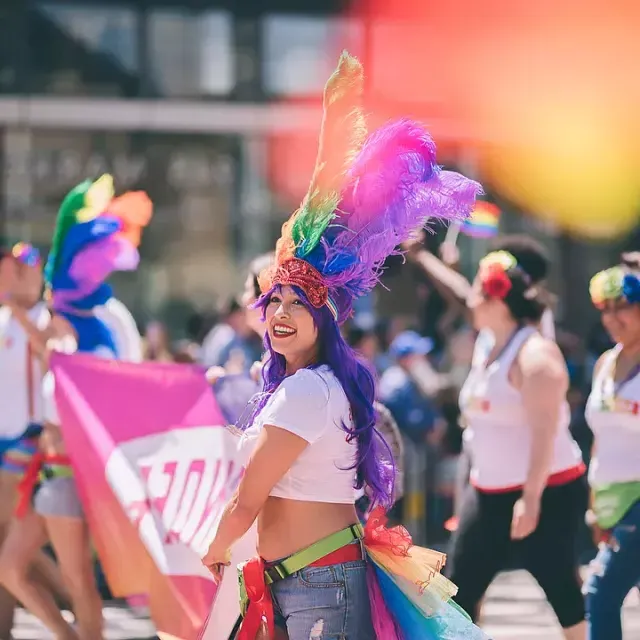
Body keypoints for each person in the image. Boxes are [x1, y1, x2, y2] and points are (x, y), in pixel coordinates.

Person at [202, 52, 485, 640]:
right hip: (298, 581)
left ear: (323, 321)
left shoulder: (307, 389)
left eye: (296, 305)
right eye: (272, 302)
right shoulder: (298, 385)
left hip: (317, 586)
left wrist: (214, 548)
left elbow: (249, 498)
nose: (279, 313)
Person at [0, 174, 152, 640]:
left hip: (68, 472)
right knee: (12, 567)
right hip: (46, 471)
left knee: (77, 580)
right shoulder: (61, 338)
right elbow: (47, 342)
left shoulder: (82, 342)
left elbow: (78, 362)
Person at [447, 241, 587, 639]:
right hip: (487, 490)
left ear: (495, 299)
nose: (469, 298)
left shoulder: (536, 354)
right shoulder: (486, 342)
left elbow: (545, 431)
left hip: (548, 488)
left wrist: (532, 497)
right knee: (458, 589)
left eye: (475, 289)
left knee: (559, 584)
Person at [0, 243, 70, 637]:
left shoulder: (45, 317)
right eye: (14, 269)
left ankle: (75, 601)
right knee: (8, 543)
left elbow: (48, 349)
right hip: (3, 438)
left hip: (29, 441)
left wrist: (13, 307)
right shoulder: (4, 318)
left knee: (8, 538)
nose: (17, 276)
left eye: (27, 268)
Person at [583, 260, 640, 640]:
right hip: (610, 500)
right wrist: (595, 505)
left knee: (600, 591)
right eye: (606, 308)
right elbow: (599, 436)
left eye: (623, 305)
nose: (612, 317)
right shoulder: (605, 363)